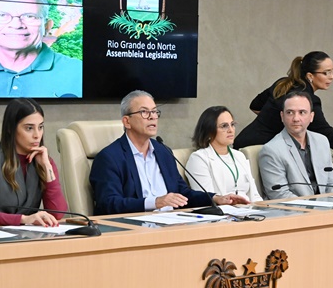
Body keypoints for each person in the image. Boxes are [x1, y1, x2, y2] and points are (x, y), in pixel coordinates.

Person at [89, 90, 249, 215]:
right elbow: (108, 204)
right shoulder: (110, 157)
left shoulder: (163, 151)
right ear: (127, 121)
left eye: (154, 112)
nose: (152, 117)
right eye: (144, 112)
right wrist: (155, 202)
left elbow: (182, 193)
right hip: (135, 228)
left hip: (171, 223)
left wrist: (215, 198)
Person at [234, 51, 333, 176]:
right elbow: (332, 139)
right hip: (255, 151)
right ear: (310, 76)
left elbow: (255, 105)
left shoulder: (283, 83)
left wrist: (272, 119)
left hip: (243, 142)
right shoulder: (308, 100)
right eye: (326, 73)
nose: (331, 77)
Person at [0, 99, 68, 226]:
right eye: (29, 128)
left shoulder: (44, 161)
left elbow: (57, 214)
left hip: (24, 234)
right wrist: (23, 219)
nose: (37, 135)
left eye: (40, 127)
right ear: (11, 129)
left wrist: (47, 167)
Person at [259, 92, 333, 199]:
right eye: (290, 112)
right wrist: (315, 207)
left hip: (326, 206)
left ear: (311, 117)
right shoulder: (271, 150)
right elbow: (279, 195)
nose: (296, 118)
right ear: (282, 116)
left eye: (302, 112)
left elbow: (332, 184)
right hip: (294, 208)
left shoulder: (322, 141)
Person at [185, 106, 262, 202]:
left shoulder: (239, 155)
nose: (231, 130)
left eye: (232, 124)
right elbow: (208, 199)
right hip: (223, 209)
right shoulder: (199, 158)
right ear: (209, 131)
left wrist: (263, 208)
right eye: (224, 126)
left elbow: (255, 196)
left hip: (249, 208)